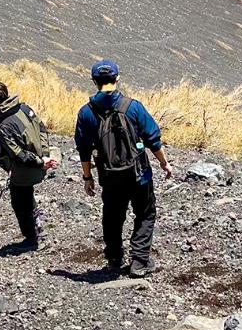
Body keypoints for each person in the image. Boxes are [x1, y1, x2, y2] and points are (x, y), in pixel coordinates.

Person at [74, 60, 173, 277]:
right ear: (117, 79)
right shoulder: (133, 107)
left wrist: (87, 177)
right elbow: (153, 139)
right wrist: (164, 163)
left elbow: (83, 149)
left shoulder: (86, 113)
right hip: (139, 174)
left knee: (112, 216)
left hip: (109, 176)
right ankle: (139, 261)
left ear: (94, 82)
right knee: (145, 214)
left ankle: (114, 258)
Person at [0, 81, 58, 249]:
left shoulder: (5, 126)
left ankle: (32, 239)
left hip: (27, 168)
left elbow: (19, 155)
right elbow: (42, 129)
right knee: (27, 195)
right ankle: (38, 225)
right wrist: (44, 156)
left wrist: (40, 162)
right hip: (38, 162)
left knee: (19, 203)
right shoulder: (25, 108)